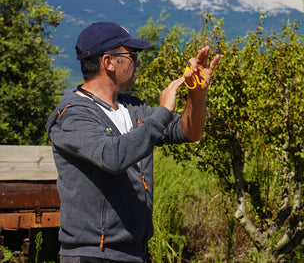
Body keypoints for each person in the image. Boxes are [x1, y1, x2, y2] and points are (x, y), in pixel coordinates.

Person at [45, 22, 220, 262]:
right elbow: (112, 157)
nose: (137, 62)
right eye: (132, 55)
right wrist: (163, 111)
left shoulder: (132, 107)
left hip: (134, 251)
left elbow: (189, 132)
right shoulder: (73, 114)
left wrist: (197, 93)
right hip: (93, 255)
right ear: (108, 62)